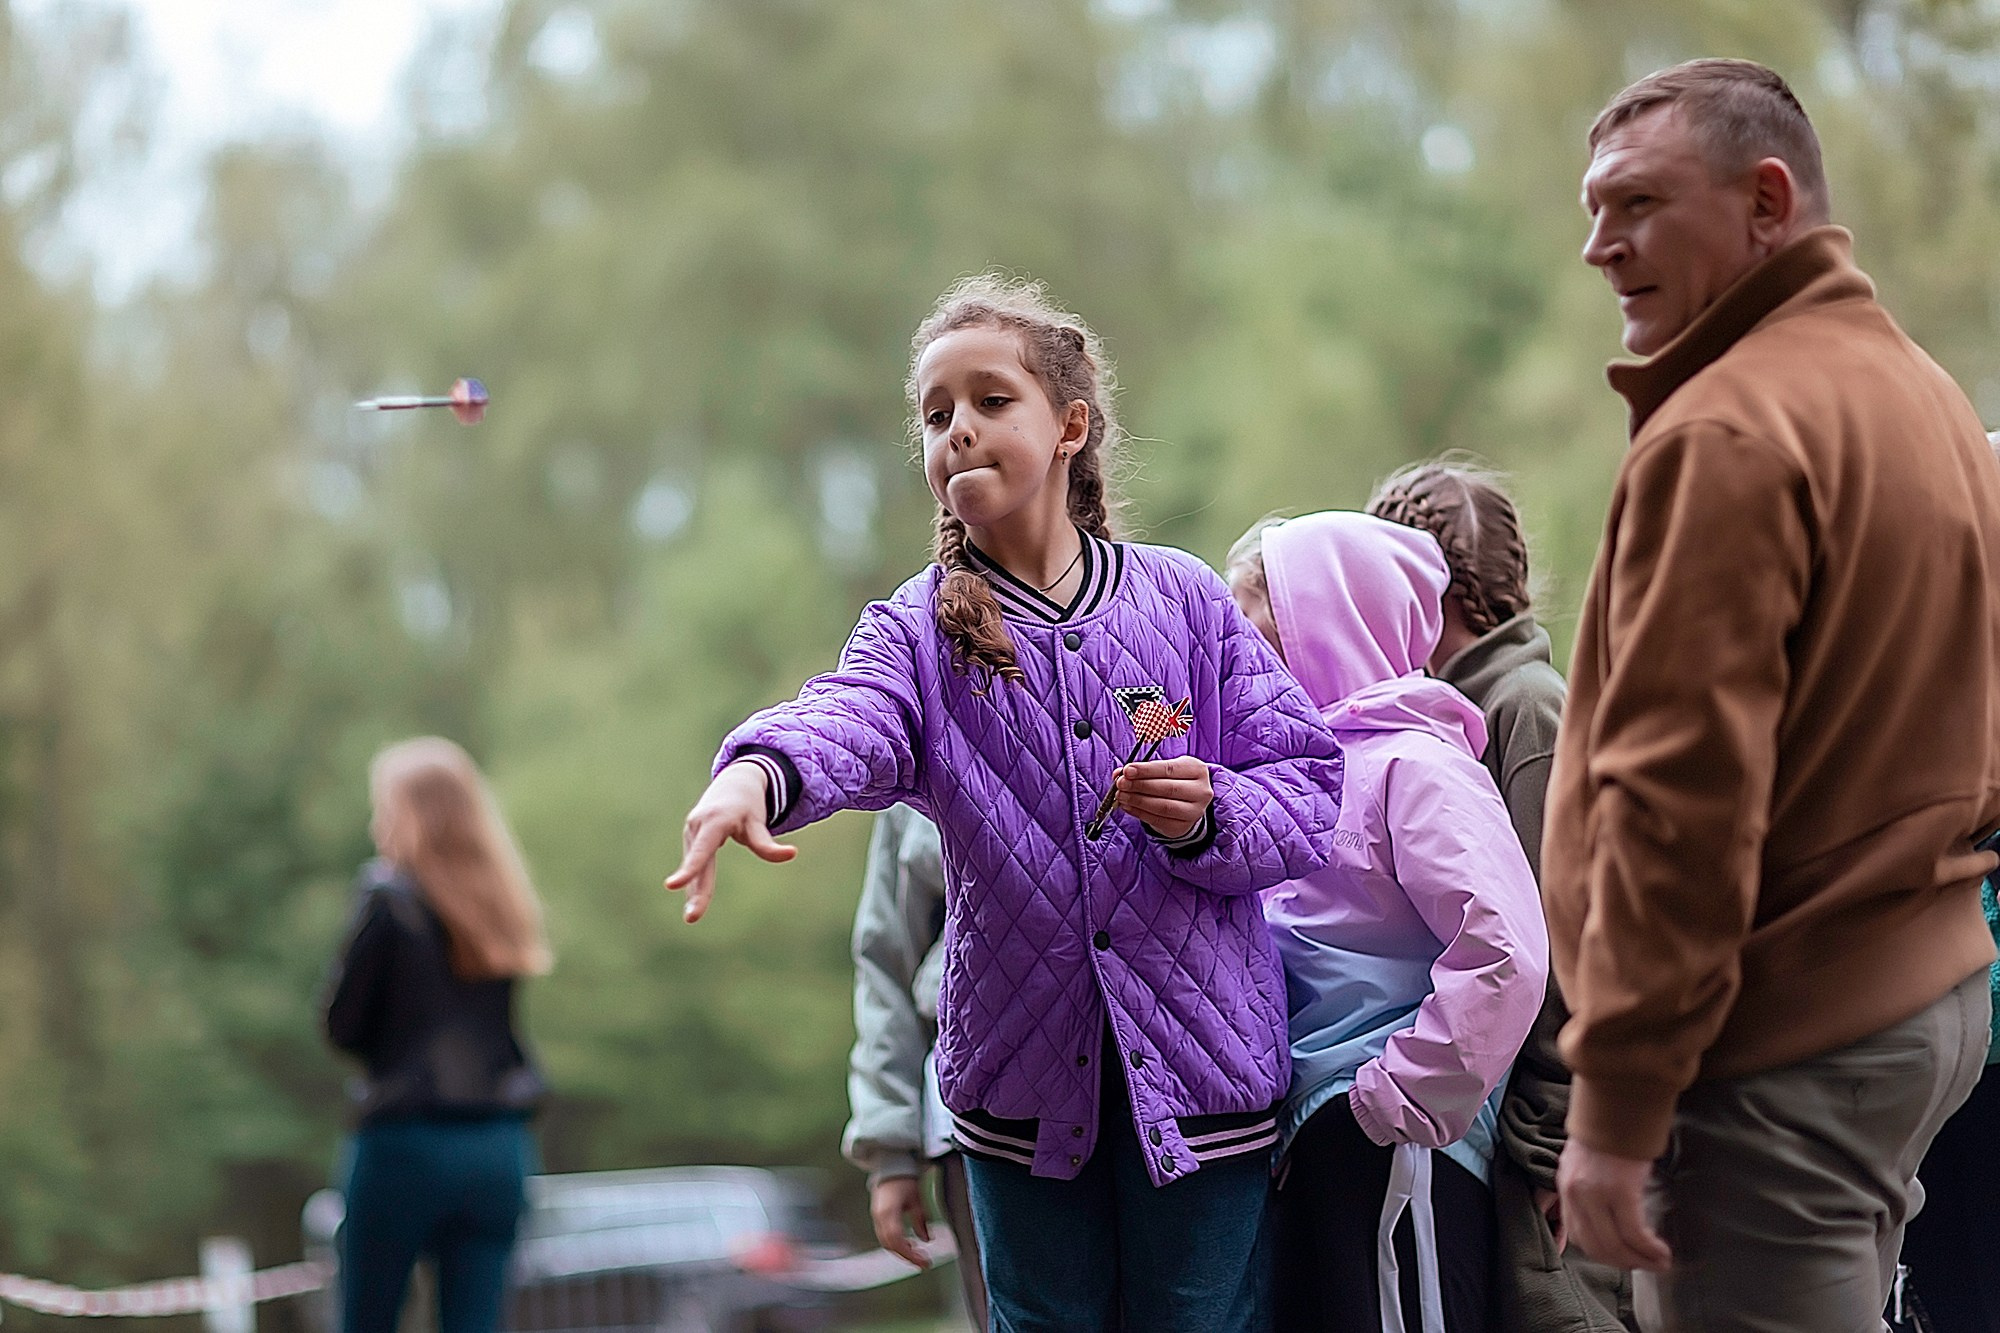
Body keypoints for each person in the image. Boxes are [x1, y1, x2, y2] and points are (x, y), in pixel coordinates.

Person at [664, 273, 1344, 1333]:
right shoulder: (914, 632)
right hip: (1017, 1099)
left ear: (1070, 426)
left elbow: (1307, 795)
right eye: (935, 416)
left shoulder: (1185, 598)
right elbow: (843, 719)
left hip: (1208, 1081)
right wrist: (757, 773)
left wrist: (1206, 816)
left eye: (989, 400)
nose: (958, 431)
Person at [1546, 58, 2000, 1332]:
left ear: (1764, 202)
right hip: (1912, 1008)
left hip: (1779, 1044)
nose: (1596, 247)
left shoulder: (1729, 431)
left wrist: (1618, 1103)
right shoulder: (1914, 390)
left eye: (1634, 205)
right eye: (1591, 210)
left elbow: (1676, 805)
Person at [1227, 510, 1549, 1333]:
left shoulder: (1416, 763)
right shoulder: (1306, 774)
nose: (1240, 668)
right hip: (1323, 1138)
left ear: (1331, 627)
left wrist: (1401, 1095)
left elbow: (1504, 946)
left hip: (1396, 1142)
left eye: (1262, 641)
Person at [1369, 460, 1637, 1333]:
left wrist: (1555, 1140)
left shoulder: (1526, 712)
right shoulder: (1454, 711)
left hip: (1547, 1145)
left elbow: (1570, 945)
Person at [324, 737, 552, 1333]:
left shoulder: (387, 899)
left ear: (405, 814)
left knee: (367, 1320)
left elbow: (343, 1026)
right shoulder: (503, 905)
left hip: (405, 1143)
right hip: (498, 1148)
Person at [842, 803, 988, 1327]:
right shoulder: (923, 751)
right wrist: (890, 1151)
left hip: (1157, 1105)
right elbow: (886, 962)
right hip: (973, 1119)